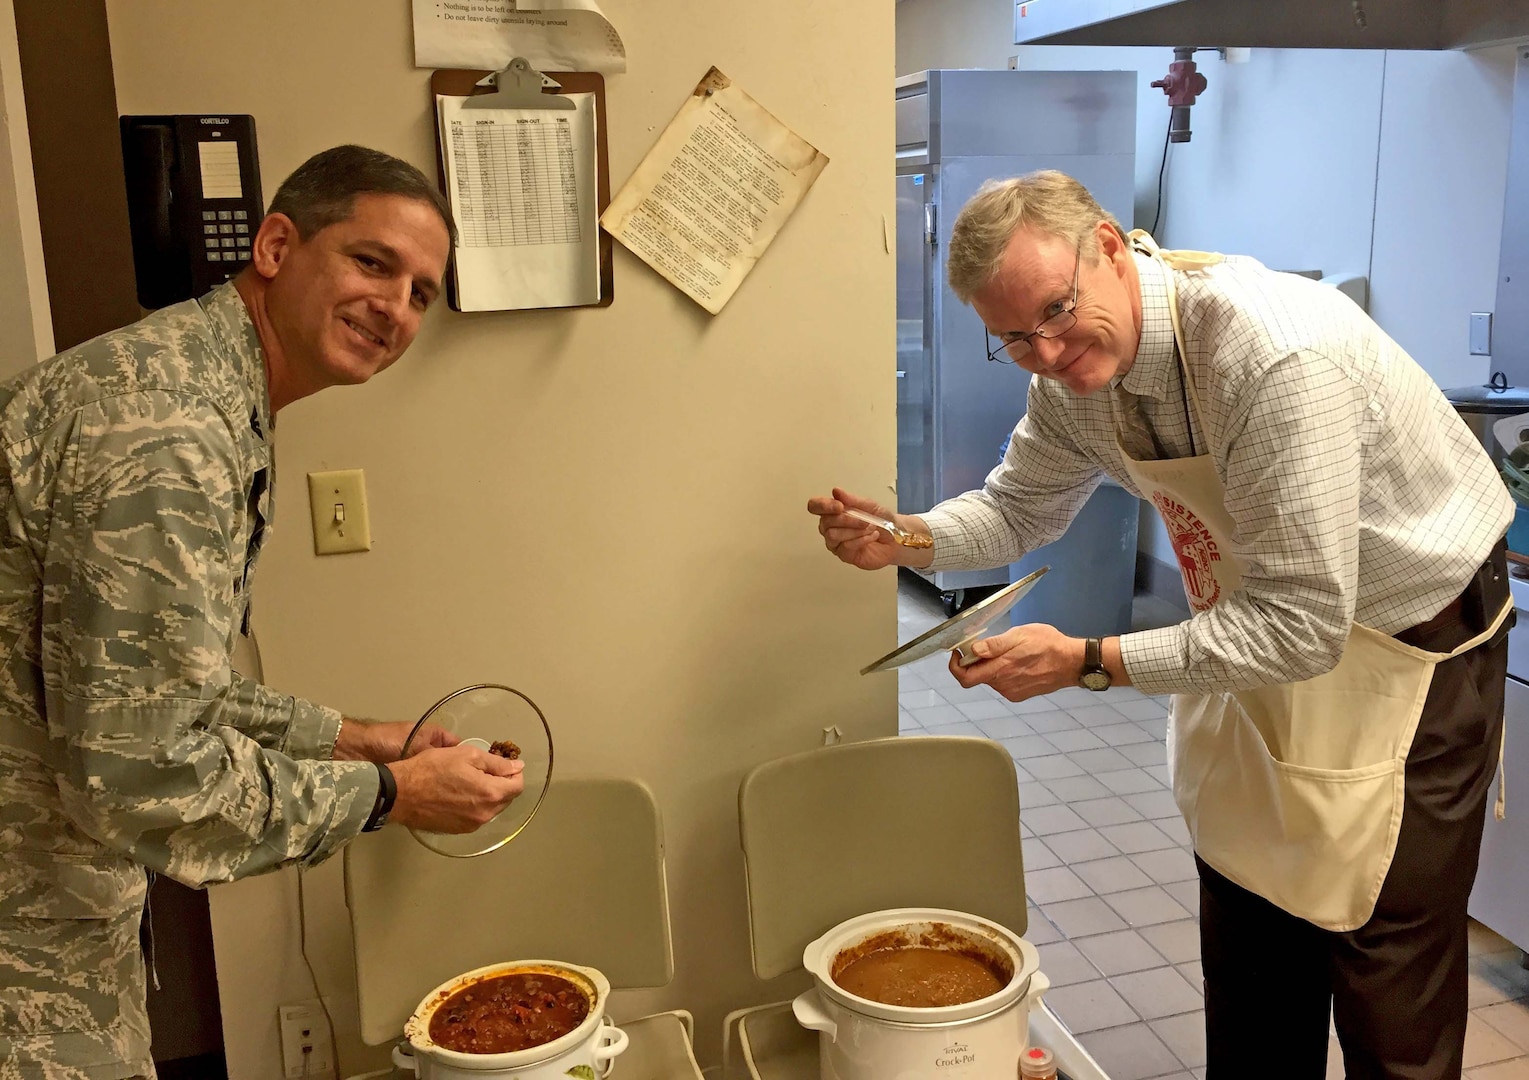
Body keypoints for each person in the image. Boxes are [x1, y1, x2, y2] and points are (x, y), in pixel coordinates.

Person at [809, 170, 1514, 1079]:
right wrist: (903, 539)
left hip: (1405, 648)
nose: (1048, 351)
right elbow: (1018, 509)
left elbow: (1303, 628)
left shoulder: (1267, 356)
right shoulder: (1071, 386)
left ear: (1109, 244)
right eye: (1014, 339)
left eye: (1058, 312)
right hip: (1256, 629)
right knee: (1249, 913)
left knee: (1381, 967)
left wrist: (1089, 660)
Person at [0, 145, 525, 1079]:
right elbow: (139, 771)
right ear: (277, 245)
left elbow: (153, 688)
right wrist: (393, 797)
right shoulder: (169, 434)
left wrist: (357, 740)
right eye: (372, 263)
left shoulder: (203, 387)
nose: (395, 308)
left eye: (421, 294)